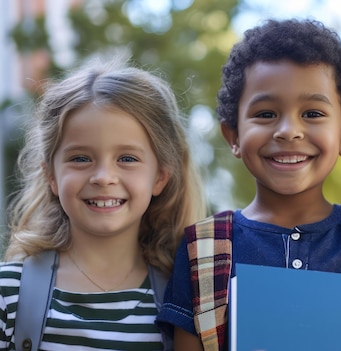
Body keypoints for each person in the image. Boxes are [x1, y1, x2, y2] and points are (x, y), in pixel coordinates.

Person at [156, 18, 341, 351]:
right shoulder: (202, 248)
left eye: (312, 113)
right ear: (234, 136)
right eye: (266, 114)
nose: (288, 130)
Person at [0, 58, 206, 350]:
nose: (103, 177)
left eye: (127, 159)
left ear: (160, 176)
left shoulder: (188, 304)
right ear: (51, 176)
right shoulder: (9, 296)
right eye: (81, 158)